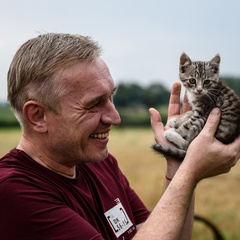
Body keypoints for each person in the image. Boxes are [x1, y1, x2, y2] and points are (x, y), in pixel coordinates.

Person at [0, 33, 239, 240]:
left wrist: (179, 166)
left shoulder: (100, 163)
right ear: (37, 116)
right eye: (94, 104)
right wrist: (189, 175)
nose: (115, 118)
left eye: (110, 97)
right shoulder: (12, 192)